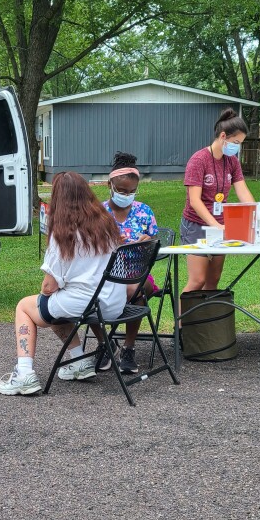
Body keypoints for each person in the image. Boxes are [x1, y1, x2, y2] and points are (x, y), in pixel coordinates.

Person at [0, 172, 126, 396]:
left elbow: (49, 287)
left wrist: (44, 295)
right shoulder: (107, 226)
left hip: (87, 303)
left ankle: (25, 374)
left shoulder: (63, 234)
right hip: (113, 302)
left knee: (25, 307)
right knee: (55, 307)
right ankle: (79, 362)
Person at [90, 152, 159, 375]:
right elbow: (87, 246)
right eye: (121, 191)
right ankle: (104, 344)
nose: (126, 195)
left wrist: (148, 242)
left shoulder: (144, 212)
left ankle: (128, 348)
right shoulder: (98, 213)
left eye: (131, 192)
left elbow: (156, 241)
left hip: (137, 273)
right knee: (85, 292)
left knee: (134, 288)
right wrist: (107, 242)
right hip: (104, 273)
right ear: (109, 185)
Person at [180, 108, 256, 293]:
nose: (237, 147)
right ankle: (181, 322)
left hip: (220, 225)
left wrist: (257, 217)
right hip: (196, 225)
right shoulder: (199, 160)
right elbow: (195, 201)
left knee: (213, 281)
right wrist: (214, 224)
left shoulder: (232, 161)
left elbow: (243, 191)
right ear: (223, 136)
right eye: (236, 142)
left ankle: (207, 321)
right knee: (198, 280)